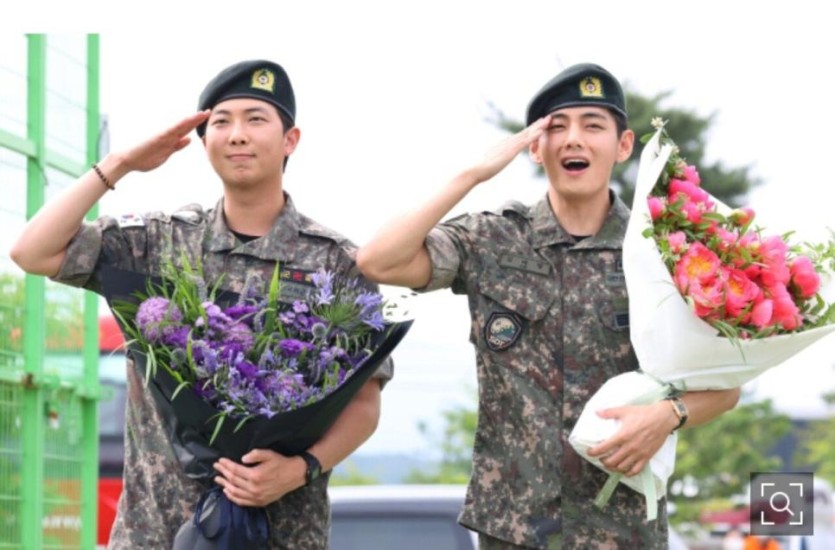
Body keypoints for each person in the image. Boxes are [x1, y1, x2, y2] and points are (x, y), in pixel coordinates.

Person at [356, 63, 740, 548]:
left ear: (623, 145)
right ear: (535, 148)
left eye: (593, 125)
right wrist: (473, 174)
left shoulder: (660, 252)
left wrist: (668, 414)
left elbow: (726, 387)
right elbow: (379, 261)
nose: (574, 139)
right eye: (557, 127)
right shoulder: (493, 237)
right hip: (514, 530)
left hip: (623, 530)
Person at [10, 59, 391, 548]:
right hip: (155, 532)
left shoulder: (335, 263)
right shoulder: (159, 243)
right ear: (205, 141)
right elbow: (33, 251)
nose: (237, 134)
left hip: (281, 533)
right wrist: (119, 164)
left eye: (256, 119)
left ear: (290, 140)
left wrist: (300, 468)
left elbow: (364, 402)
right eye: (221, 122)